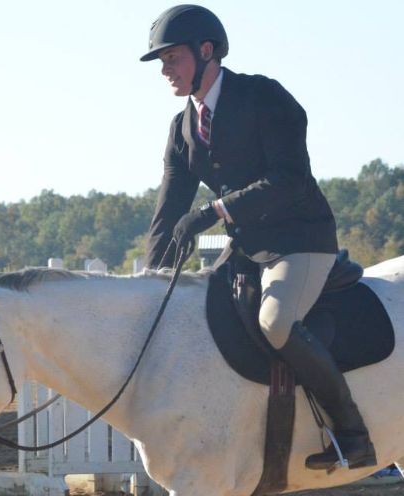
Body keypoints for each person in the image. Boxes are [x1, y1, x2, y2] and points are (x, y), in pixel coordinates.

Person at [140, 4, 376, 471]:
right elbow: (169, 210)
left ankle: (353, 434)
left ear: (207, 52)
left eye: (173, 59)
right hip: (247, 245)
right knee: (202, 316)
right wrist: (150, 278)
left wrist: (212, 211)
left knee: (275, 322)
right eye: (162, 63)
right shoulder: (183, 128)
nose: (165, 71)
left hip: (300, 239)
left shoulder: (264, 97)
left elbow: (289, 179)